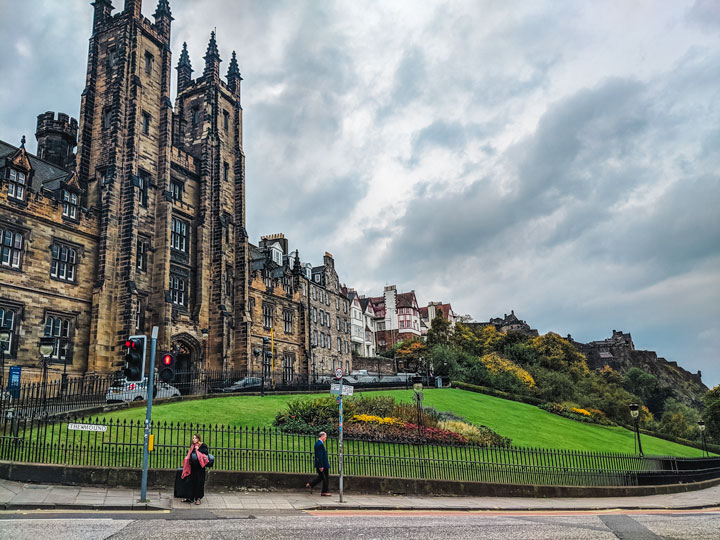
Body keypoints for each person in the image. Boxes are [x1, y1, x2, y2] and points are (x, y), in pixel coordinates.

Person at [181, 433, 210, 504]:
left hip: (200, 468)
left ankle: (198, 499)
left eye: (195, 438)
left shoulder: (202, 445)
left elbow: (206, 452)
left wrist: (198, 450)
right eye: (193, 438)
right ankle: (190, 497)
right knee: (190, 482)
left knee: (199, 482)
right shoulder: (192, 446)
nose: (194, 439)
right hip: (192, 467)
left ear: (198, 439)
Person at [305, 431, 331, 496]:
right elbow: (320, 456)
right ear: (322, 436)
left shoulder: (318, 443)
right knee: (325, 478)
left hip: (321, 464)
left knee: (321, 477)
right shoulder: (320, 444)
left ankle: (311, 485)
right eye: (325, 437)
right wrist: (321, 466)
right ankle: (324, 491)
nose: (326, 438)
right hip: (322, 464)